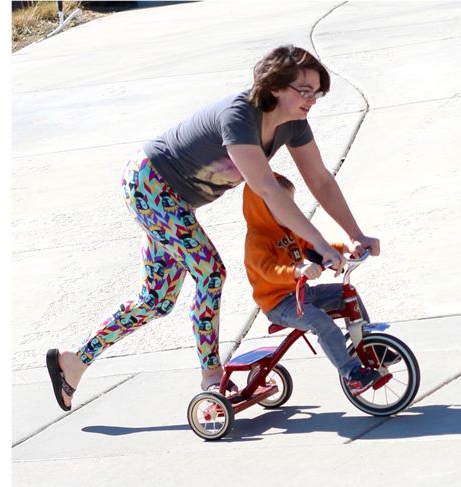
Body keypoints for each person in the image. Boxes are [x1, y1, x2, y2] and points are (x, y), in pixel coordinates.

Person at [46, 44, 380, 412]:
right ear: (274, 88)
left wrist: (355, 234)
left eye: (317, 92)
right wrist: (320, 245)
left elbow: (320, 179)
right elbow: (268, 190)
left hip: (175, 201)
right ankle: (211, 375)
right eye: (304, 91)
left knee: (155, 300)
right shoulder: (239, 117)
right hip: (150, 185)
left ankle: (73, 362)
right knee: (211, 272)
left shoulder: (293, 124)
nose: (312, 100)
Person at [243, 174, 381, 392]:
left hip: (301, 293)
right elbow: (268, 271)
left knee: (347, 294)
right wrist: (297, 271)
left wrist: (343, 247)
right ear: (263, 206)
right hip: (279, 304)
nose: (291, 212)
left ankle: (369, 348)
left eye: (292, 205)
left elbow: (313, 246)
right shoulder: (256, 240)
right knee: (320, 321)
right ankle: (350, 372)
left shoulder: (290, 229)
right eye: (284, 205)